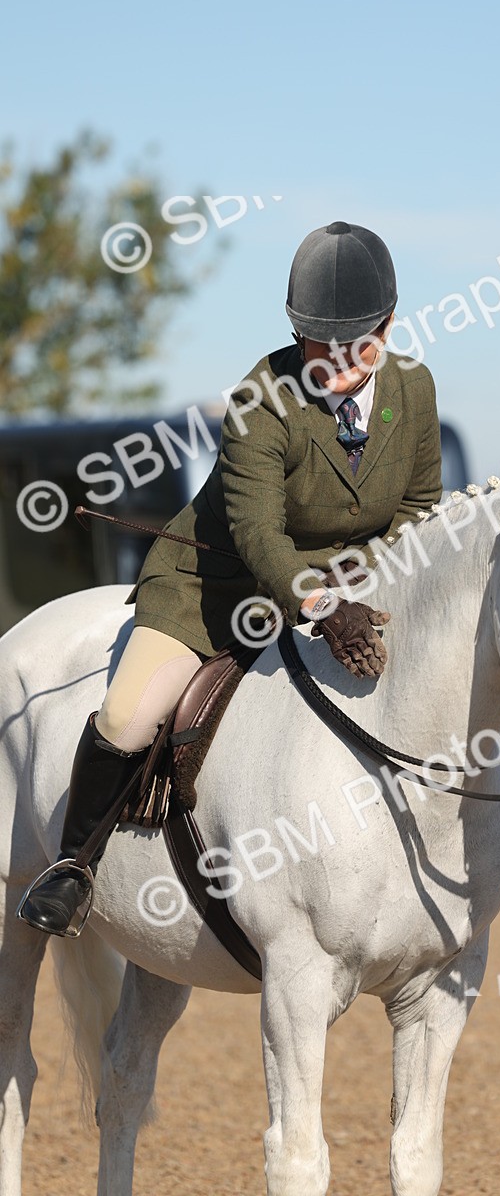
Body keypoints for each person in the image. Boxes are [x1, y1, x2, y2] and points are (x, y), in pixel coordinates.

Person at [19, 220, 443, 936]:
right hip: (215, 590)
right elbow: (258, 534)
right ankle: (73, 866)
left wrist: (366, 578)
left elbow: (418, 506)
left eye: (356, 342)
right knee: (128, 714)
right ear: (293, 328)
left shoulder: (414, 389)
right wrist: (323, 600)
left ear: (390, 325)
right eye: (318, 342)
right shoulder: (261, 399)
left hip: (347, 590)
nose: (335, 360)